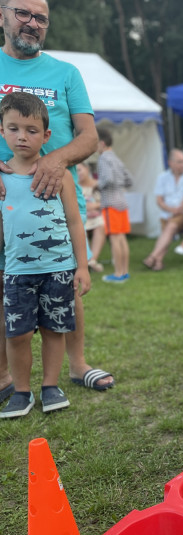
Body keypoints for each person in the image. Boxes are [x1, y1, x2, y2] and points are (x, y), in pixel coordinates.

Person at [0, 0, 113, 398]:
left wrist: (56, 159)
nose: (32, 23)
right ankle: (5, 377)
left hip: (58, 199)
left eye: (41, 18)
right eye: (23, 13)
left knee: (64, 283)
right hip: (5, 203)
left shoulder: (66, 73)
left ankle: (78, 365)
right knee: (3, 285)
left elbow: (89, 137)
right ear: (2, 16)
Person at [0, 92, 90, 417]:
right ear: (2, 131)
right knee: (17, 334)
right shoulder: (1, 178)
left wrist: (83, 266)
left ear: (46, 135)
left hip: (59, 269)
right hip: (16, 271)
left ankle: (50, 386)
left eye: (31, 130)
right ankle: (22, 392)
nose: (22, 136)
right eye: (13, 129)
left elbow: (75, 221)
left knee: (55, 330)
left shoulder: (60, 175)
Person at [143, 148, 183, 271]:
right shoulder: (162, 177)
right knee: (167, 230)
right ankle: (157, 262)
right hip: (167, 213)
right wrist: (170, 211)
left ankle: (153, 257)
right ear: (171, 163)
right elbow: (159, 200)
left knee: (170, 226)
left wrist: (176, 212)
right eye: (180, 162)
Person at [96, 128, 132, 283]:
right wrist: (119, 185)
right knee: (122, 238)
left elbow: (108, 179)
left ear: (102, 143)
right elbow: (129, 180)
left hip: (110, 202)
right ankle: (124, 272)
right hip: (122, 202)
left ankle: (118, 274)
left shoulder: (103, 158)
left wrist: (97, 185)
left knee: (114, 239)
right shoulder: (116, 158)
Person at [77, 161, 105, 272]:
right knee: (80, 227)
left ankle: (92, 260)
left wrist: (96, 205)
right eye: (76, 171)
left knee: (100, 224)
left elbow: (107, 201)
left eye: (80, 170)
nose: (78, 173)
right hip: (81, 216)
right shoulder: (74, 186)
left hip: (96, 215)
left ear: (87, 169)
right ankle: (85, 260)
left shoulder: (97, 184)